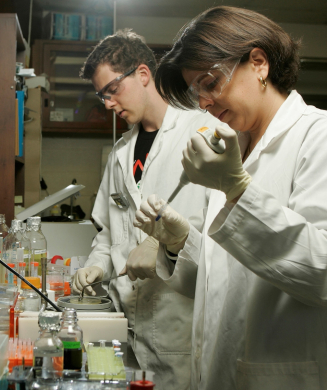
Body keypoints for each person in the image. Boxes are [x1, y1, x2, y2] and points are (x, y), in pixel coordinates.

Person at [134, 6, 327, 390]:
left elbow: (321, 268)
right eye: (195, 92)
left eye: (210, 82)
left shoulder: (317, 137)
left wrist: (239, 191)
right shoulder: (232, 147)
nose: (203, 101)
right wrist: (180, 244)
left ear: (258, 63)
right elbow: (221, 284)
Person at [73, 29, 223, 388]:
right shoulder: (120, 154)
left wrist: (162, 246)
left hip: (179, 332)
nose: (107, 103)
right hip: (126, 329)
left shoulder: (204, 132)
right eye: (101, 95)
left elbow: (225, 240)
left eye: (112, 90)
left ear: (143, 74)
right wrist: (96, 266)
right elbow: (109, 234)